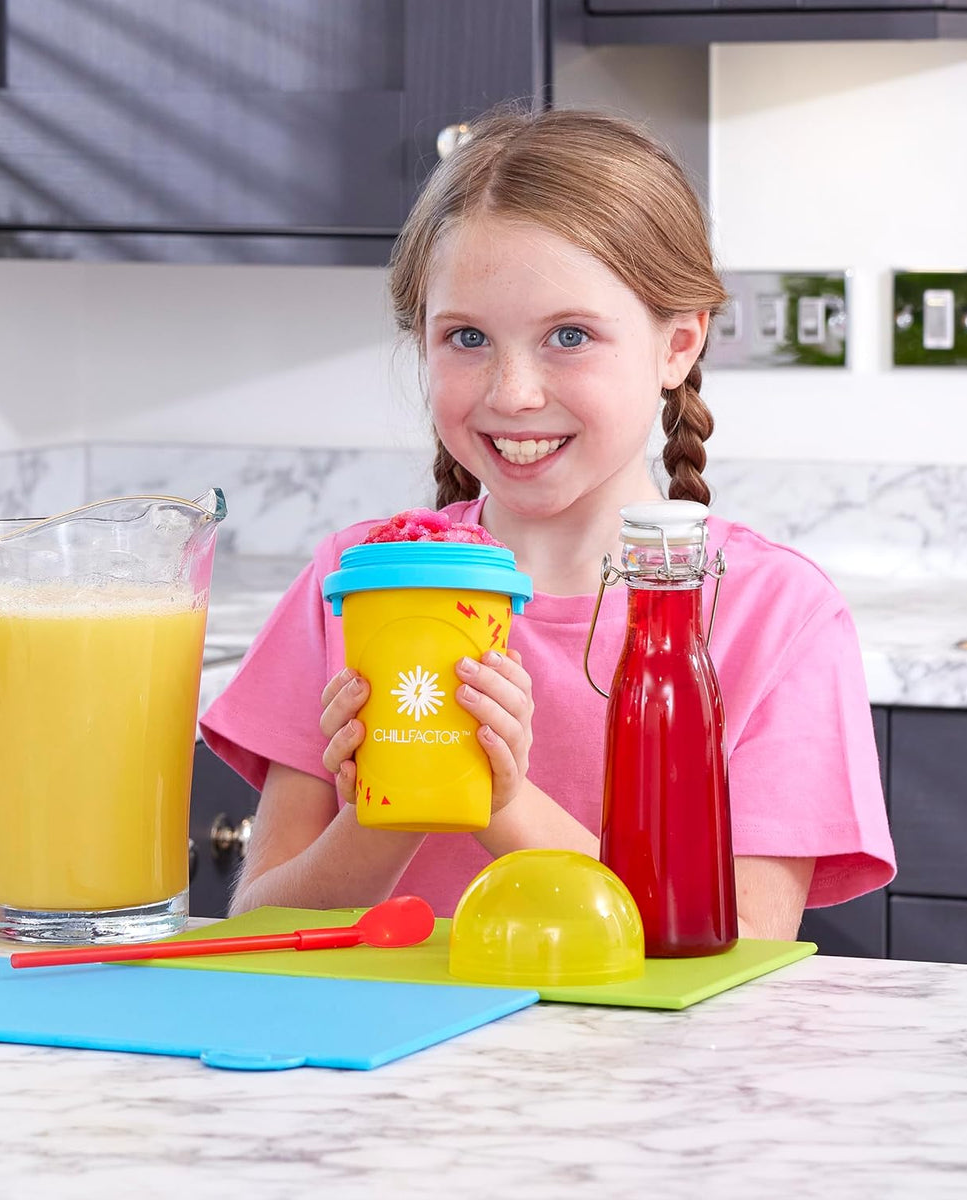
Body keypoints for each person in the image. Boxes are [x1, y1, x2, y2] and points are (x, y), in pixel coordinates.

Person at [200, 108, 895, 938]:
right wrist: (393, 802)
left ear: (678, 344)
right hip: (383, 1066)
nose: (511, 392)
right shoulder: (356, 582)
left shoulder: (772, 618)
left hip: (637, 1072)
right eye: (466, 337)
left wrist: (497, 800)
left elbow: (734, 955)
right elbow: (259, 928)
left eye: (569, 335)